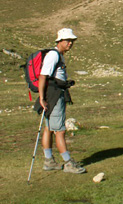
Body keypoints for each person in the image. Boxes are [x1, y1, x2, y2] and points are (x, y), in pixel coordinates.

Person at [37, 28, 86, 174]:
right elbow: (42, 76)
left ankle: (49, 161)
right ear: (59, 41)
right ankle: (68, 163)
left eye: (72, 41)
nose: (70, 43)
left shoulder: (58, 55)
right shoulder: (53, 55)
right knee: (60, 130)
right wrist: (41, 98)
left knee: (49, 128)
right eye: (68, 41)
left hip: (51, 95)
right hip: (54, 96)